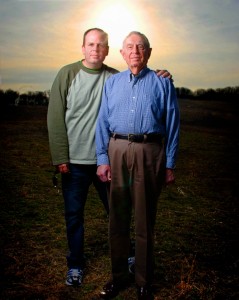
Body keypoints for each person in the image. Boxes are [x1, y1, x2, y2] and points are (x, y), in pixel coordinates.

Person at [47, 28, 172, 288]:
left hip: (108, 161)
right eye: (90, 44)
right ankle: (76, 264)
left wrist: (164, 74)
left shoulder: (114, 76)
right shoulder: (68, 74)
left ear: (107, 50)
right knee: (74, 215)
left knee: (118, 212)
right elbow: (56, 118)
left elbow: (140, 79)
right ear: (83, 48)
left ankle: (129, 259)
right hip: (76, 160)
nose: (95, 49)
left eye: (100, 45)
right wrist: (60, 156)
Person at [96, 31, 180, 299]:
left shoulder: (163, 82)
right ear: (122, 53)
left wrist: (169, 163)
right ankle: (118, 277)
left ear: (149, 52)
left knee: (144, 220)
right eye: (130, 47)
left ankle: (144, 281)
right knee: (117, 220)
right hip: (116, 150)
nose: (135, 51)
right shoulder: (112, 83)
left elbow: (173, 125)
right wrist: (102, 159)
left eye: (140, 47)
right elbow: (102, 123)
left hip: (149, 152)